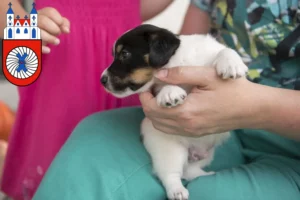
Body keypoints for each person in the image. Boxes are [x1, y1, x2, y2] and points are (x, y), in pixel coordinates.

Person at [33, 0, 300, 200]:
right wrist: (165, 89)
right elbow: (182, 50)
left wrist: (249, 106)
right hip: (213, 127)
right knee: (92, 137)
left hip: (289, 142)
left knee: (208, 194)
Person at [0, 0, 174, 199]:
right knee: (56, 164)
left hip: (123, 53)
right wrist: (21, 24)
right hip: (60, 50)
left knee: (120, 163)